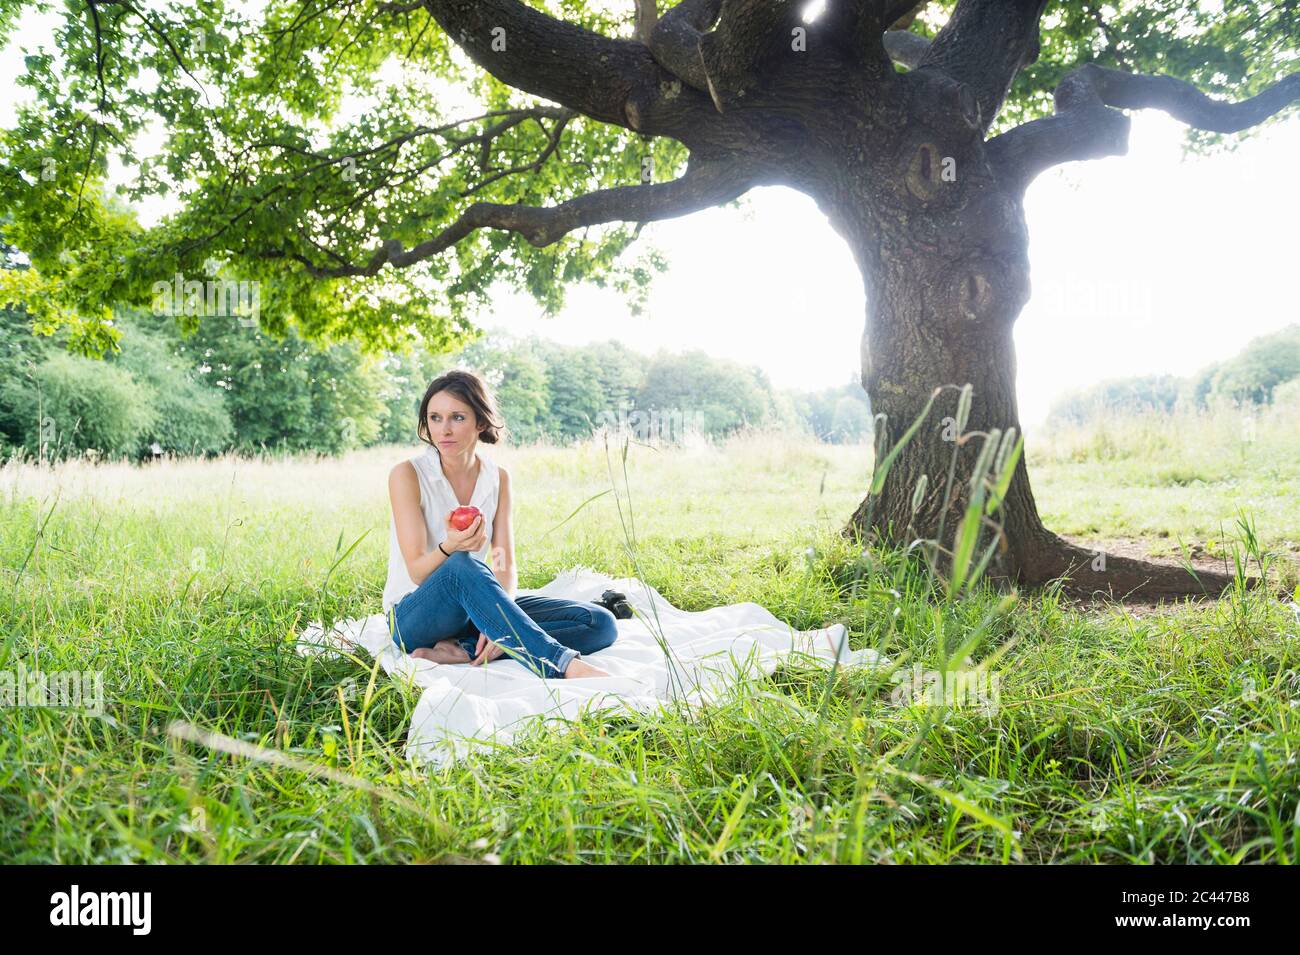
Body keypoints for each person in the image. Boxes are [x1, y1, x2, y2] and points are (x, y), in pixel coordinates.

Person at [383, 369, 615, 679]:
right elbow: (417, 570)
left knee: (598, 622)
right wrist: (451, 546)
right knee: (462, 565)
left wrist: (495, 624)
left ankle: (470, 647)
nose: (444, 430)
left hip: (473, 609)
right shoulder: (407, 474)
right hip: (415, 615)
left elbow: (503, 562)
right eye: (435, 418)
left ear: (480, 421)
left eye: (457, 418)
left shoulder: (497, 478)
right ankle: (561, 664)